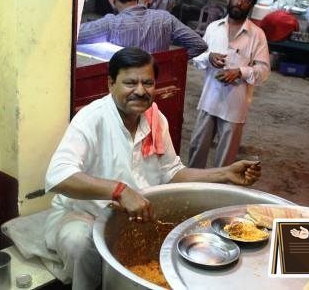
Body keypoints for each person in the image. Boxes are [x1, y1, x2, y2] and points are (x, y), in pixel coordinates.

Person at [44, 47, 261, 289]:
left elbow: (172, 173)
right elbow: (58, 176)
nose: (140, 91)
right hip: (85, 215)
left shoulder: (156, 120)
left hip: (132, 216)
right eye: (130, 83)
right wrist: (119, 190)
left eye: (148, 83)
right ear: (110, 83)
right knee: (79, 243)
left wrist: (225, 173)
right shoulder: (92, 119)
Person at [188, 0, 270, 168]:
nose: (239, 2)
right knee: (196, 150)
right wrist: (209, 57)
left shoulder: (257, 35)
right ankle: (192, 188)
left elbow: (263, 71)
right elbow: (196, 58)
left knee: (225, 162)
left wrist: (240, 72)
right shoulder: (213, 28)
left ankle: (220, 194)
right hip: (208, 102)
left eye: (246, 0)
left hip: (234, 108)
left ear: (251, 5)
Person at [78, 0, 207, 59]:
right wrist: (170, 63)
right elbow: (199, 44)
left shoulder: (111, 24)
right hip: (157, 84)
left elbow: (72, 34)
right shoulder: (165, 18)